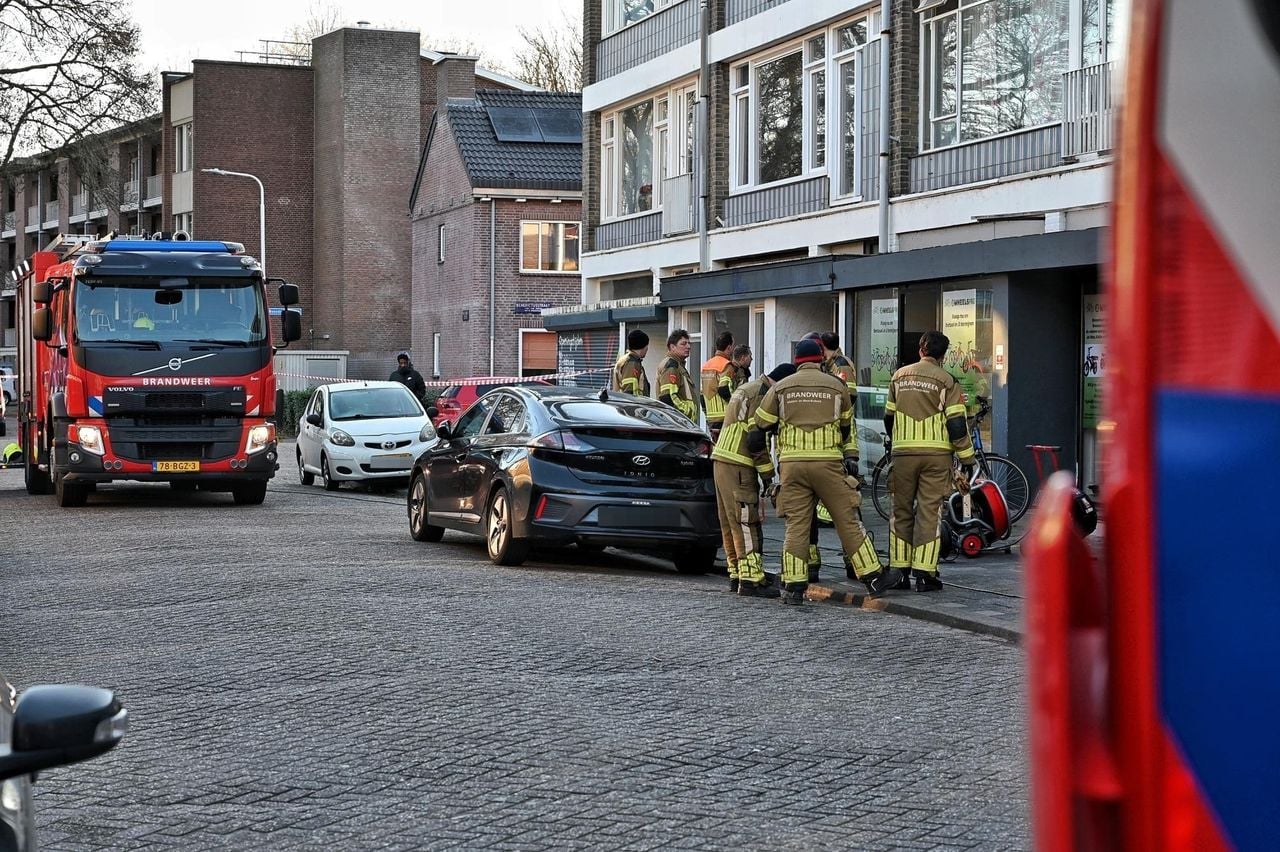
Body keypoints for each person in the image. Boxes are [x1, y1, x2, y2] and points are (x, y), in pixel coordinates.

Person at [748, 338, 897, 605]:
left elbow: (759, 427)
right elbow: (846, 428)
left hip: (792, 466)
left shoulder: (781, 387)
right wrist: (850, 457)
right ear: (820, 360)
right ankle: (874, 578)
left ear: (797, 361)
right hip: (828, 464)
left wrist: (769, 470)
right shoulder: (837, 386)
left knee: (796, 525)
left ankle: (793, 587)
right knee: (847, 521)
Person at [884, 331, 977, 592]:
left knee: (901, 511)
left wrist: (898, 442)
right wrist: (967, 457)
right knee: (929, 512)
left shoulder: (898, 376)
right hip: (936, 457)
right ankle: (925, 575)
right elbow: (956, 424)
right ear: (943, 355)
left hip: (903, 455)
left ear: (920, 350)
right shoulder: (947, 380)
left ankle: (899, 571)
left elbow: (888, 418)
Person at [712, 362, 796, 598]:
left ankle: (737, 574)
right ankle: (751, 580)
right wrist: (768, 477)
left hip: (722, 460)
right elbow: (755, 440)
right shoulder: (763, 394)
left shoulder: (747, 387)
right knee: (746, 522)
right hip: (739, 464)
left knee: (730, 523)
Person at [699, 332, 735, 440]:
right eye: (732, 346)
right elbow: (723, 389)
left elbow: (702, 394)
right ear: (729, 347)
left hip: (711, 417)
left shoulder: (706, 365)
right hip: (725, 416)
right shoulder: (726, 365)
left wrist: (706, 414)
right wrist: (735, 406)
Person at [656, 329, 698, 422]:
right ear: (672, 347)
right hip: (679, 422)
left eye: (689, 343)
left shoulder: (678, 365)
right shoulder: (671, 365)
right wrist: (686, 412)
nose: (688, 346)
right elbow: (667, 397)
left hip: (682, 422)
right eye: (683, 344)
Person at [612, 329, 651, 396]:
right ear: (643, 346)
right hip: (634, 402)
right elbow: (629, 392)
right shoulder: (632, 363)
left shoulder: (625, 360)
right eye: (647, 345)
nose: (647, 349)